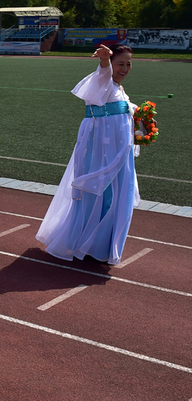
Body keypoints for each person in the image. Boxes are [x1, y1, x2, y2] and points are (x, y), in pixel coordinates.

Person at [36, 44, 139, 265]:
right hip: (100, 153)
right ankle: (84, 243)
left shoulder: (119, 90)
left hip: (118, 155)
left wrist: (142, 124)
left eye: (129, 64)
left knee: (116, 197)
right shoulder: (103, 83)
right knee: (97, 195)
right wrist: (103, 61)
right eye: (120, 63)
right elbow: (103, 74)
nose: (125, 68)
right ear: (111, 65)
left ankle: (98, 245)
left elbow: (125, 116)